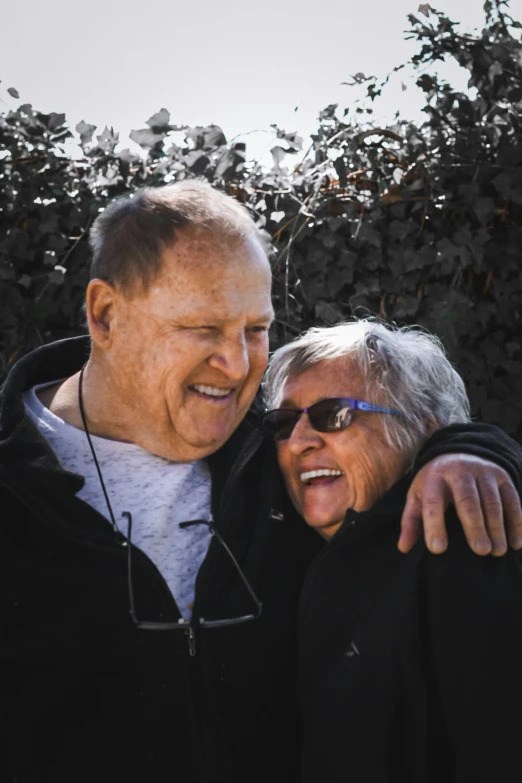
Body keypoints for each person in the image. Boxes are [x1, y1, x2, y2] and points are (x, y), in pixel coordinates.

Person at [0, 183, 521, 783]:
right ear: (106, 315)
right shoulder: (15, 492)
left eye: (255, 329)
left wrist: (467, 448)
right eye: (202, 327)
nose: (240, 365)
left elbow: (391, 441)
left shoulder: (276, 455)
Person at [263, 319, 522, 782]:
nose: (299, 442)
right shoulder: (276, 543)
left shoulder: (462, 544)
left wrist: (467, 447)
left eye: (334, 414)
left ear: (422, 429)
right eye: (284, 424)